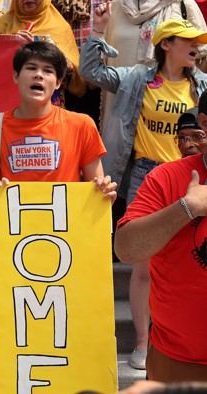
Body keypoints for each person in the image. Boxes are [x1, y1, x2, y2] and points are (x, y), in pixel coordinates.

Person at [80, 13, 207, 370]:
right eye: (188, 40)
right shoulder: (137, 77)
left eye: (199, 41)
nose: (196, 46)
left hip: (195, 177)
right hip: (148, 175)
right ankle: (142, 340)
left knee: (189, 259)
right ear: (166, 44)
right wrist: (97, 32)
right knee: (143, 266)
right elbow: (91, 72)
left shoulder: (202, 84)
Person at [0, 41, 117, 275]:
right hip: (10, 241)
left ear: (58, 83)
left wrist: (105, 192)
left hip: (66, 243)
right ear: (15, 76)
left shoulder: (82, 125)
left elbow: (96, 188)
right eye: (31, 68)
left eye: (48, 71)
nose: (39, 75)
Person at [112, 89, 207, 382]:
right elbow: (126, 249)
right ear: (205, 122)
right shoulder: (167, 178)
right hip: (178, 361)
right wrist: (187, 208)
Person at [0, 0, 87, 107]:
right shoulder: (4, 23)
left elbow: (79, 82)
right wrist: (11, 43)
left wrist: (64, 64)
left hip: (49, 108)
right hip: (7, 103)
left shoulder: (59, 26)